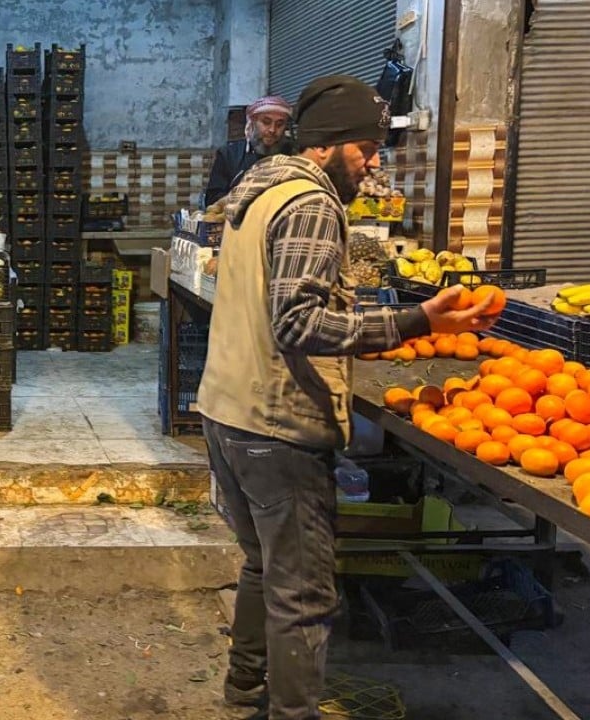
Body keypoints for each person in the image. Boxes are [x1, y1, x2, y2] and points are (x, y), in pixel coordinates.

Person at [195, 75, 500, 720]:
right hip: (276, 423)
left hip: (228, 407)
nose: (373, 161)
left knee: (262, 566)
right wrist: (418, 323)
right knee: (303, 594)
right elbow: (299, 323)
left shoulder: (260, 192)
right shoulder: (310, 204)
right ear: (330, 143)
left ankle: (246, 690)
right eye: (365, 147)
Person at [203, 96, 295, 208]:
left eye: (279, 124)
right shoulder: (229, 154)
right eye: (266, 122)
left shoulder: (293, 156)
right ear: (253, 123)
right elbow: (213, 200)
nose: (272, 130)